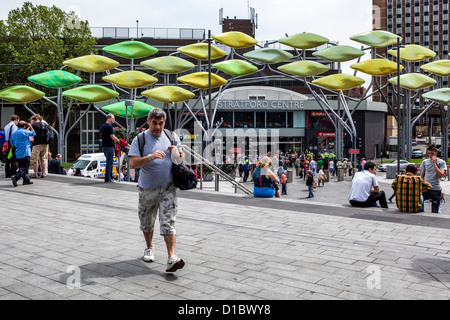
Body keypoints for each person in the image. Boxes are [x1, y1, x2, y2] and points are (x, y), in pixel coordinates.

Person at [128, 108, 185, 273]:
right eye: (155, 123)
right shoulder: (140, 139)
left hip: (168, 187)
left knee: (169, 222)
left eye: (161, 123)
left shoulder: (171, 136)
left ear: (164, 123)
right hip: (147, 189)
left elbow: (181, 159)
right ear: (148, 121)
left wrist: (176, 154)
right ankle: (149, 247)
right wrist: (150, 157)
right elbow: (133, 163)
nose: (158, 127)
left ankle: (171, 258)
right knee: (147, 221)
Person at [420, 144, 446, 213]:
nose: (430, 155)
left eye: (432, 153)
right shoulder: (425, 162)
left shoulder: (441, 162)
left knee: (435, 210)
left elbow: (440, 175)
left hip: (435, 188)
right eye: (429, 153)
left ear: (436, 153)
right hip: (426, 188)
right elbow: (422, 176)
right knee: (419, 204)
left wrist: (434, 163)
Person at [10, 121, 35, 187]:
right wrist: (30, 126)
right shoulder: (25, 132)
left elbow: (11, 142)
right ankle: (16, 176)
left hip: (18, 152)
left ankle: (26, 180)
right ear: (24, 126)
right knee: (25, 167)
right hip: (25, 151)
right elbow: (34, 133)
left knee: (21, 166)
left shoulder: (14, 133)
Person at [100, 114, 120, 183]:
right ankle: (108, 178)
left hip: (104, 146)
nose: (114, 120)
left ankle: (109, 177)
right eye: (113, 118)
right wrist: (118, 140)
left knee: (109, 162)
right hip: (109, 146)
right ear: (109, 118)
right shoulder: (109, 126)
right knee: (109, 162)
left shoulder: (103, 126)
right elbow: (112, 136)